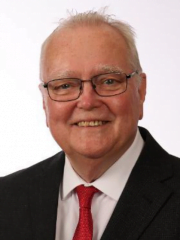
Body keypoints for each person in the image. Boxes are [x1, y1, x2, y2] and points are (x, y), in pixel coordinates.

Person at [0, 9, 180, 240]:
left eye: (108, 81)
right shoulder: (6, 199)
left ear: (141, 90)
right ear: (45, 102)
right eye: (65, 85)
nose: (87, 101)